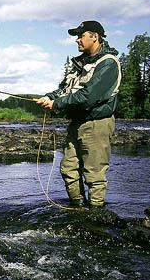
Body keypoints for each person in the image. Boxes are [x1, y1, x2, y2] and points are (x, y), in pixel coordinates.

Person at [37, 20, 121, 208]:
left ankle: (96, 214)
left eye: (81, 36)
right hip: (76, 123)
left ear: (95, 37)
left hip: (97, 124)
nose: (77, 40)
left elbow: (88, 96)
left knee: (94, 174)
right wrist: (49, 97)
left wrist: (56, 104)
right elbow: (65, 89)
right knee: (68, 168)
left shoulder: (108, 63)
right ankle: (78, 209)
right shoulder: (80, 64)